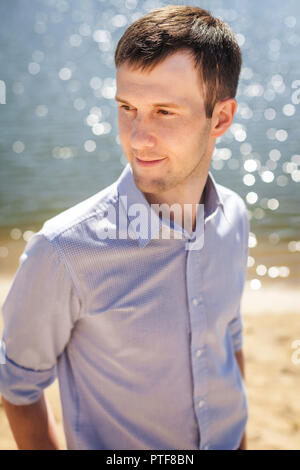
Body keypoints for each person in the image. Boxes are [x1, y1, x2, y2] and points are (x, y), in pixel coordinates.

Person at [0, 5, 249, 450]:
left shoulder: (234, 217)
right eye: (127, 107)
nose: (136, 136)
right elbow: (17, 387)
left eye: (164, 112)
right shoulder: (62, 251)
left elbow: (228, 339)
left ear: (221, 118)